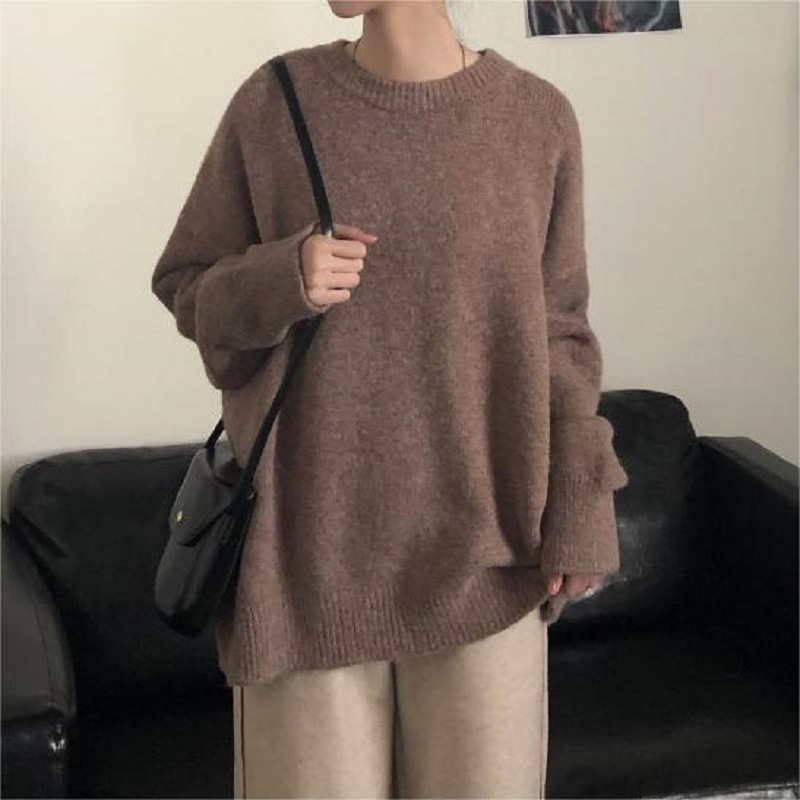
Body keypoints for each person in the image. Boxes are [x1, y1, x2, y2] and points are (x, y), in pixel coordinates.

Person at [150, 1, 629, 797]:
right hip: (305, 573)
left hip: (488, 566)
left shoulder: (536, 120)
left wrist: (582, 505)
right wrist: (281, 279)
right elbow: (186, 286)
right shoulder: (274, 104)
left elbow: (561, 328)